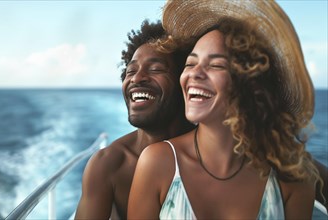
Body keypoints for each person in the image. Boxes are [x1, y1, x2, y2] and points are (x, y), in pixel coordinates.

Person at [128, 1, 325, 219]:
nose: (195, 74)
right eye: (190, 64)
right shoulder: (157, 163)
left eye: (216, 65)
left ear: (252, 84)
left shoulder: (292, 179)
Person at [74, 20, 194, 219]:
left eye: (155, 69)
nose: (137, 79)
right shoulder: (109, 164)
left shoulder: (214, 156)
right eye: (130, 71)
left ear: (185, 80)